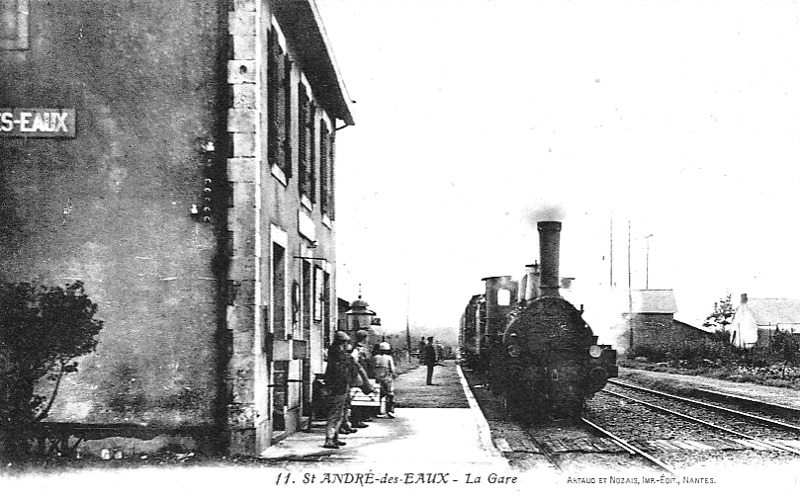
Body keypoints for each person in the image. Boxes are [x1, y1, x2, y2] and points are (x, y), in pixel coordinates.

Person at [323, 331, 351, 449]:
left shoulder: (336, 354)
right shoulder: (337, 356)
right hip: (337, 387)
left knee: (338, 414)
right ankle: (329, 439)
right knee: (334, 414)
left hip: (339, 386)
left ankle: (334, 437)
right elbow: (339, 372)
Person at [373, 342, 396, 418]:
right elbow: (392, 369)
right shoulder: (389, 358)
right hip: (387, 378)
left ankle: (377, 411)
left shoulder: (375, 357)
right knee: (390, 394)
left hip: (377, 378)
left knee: (378, 395)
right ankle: (389, 410)